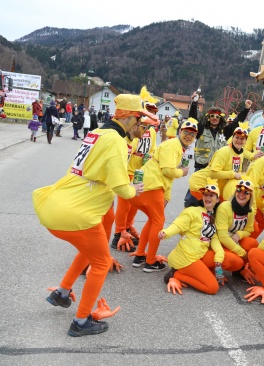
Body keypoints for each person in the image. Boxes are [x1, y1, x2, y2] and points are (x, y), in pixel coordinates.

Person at [34, 94, 146, 337]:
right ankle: (81, 321)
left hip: (58, 205)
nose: (144, 126)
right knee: (101, 263)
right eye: (141, 119)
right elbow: (119, 186)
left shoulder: (98, 133)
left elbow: (93, 169)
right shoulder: (116, 140)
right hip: (77, 213)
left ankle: (62, 293)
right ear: (128, 118)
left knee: (90, 251)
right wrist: (132, 189)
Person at [129, 119, 198, 272]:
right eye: (186, 132)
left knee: (154, 219)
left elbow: (167, 175)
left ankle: (140, 255)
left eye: (192, 134)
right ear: (180, 131)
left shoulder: (177, 147)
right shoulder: (173, 145)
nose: (188, 136)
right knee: (159, 221)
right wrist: (182, 172)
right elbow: (167, 170)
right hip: (151, 186)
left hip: (148, 186)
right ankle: (150, 261)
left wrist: (167, 197)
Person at [162, 179, 229, 296]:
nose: (208, 198)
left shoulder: (212, 216)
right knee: (212, 288)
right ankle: (176, 274)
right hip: (186, 257)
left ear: (217, 199)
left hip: (198, 254)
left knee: (230, 260)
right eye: (205, 195)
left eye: (211, 195)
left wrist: (219, 254)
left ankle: (196, 271)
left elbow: (214, 238)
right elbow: (179, 225)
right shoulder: (193, 211)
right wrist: (166, 232)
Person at [111, 112, 159, 252]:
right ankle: (118, 233)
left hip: (140, 172)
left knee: (134, 205)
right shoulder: (131, 135)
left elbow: (152, 148)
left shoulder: (151, 131)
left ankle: (127, 227)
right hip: (128, 171)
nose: (145, 128)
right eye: (143, 125)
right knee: (124, 205)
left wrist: (149, 157)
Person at [187, 121, 249, 205]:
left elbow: (236, 172)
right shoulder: (224, 151)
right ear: (232, 137)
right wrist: (233, 174)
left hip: (215, 188)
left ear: (246, 141)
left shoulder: (240, 153)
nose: (239, 140)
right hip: (201, 184)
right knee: (199, 214)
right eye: (237, 137)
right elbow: (213, 173)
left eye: (242, 138)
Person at [215, 179, 259, 283]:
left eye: (246, 192)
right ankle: (214, 268)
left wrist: (239, 234)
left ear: (251, 195)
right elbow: (222, 236)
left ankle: (239, 271)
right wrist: (241, 253)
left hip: (234, 240)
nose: (241, 194)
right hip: (219, 242)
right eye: (239, 190)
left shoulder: (250, 210)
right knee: (236, 261)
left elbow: (249, 230)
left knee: (252, 243)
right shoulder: (225, 207)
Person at [190, 102, 227, 171]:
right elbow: (193, 119)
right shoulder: (201, 129)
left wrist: (246, 109)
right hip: (201, 167)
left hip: (218, 169)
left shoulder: (224, 132)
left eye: (217, 117)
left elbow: (236, 123)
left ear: (220, 119)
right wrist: (194, 103)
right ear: (208, 117)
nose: (214, 118)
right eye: (212, 116)